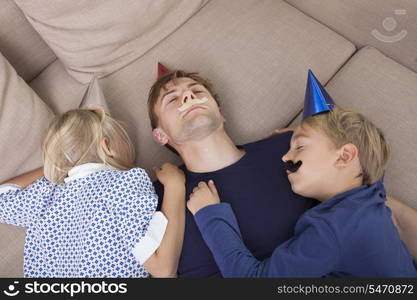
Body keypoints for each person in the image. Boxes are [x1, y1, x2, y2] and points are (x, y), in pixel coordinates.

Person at [148, 68, 417, 277]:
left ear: (220, 112)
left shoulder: (288, 153)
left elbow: (379, 207)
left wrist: (292, 143)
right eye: (172, 99)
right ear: (160, 135)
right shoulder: (156, 195)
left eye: (197, 91)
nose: (188, 97)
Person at [0, 107, 185, 278]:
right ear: (107, 147)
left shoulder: (47, 192)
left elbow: (3, 197)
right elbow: (162, 267)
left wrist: (59, 165)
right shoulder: (125, 182)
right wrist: (174, 186)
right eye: (125, 142)